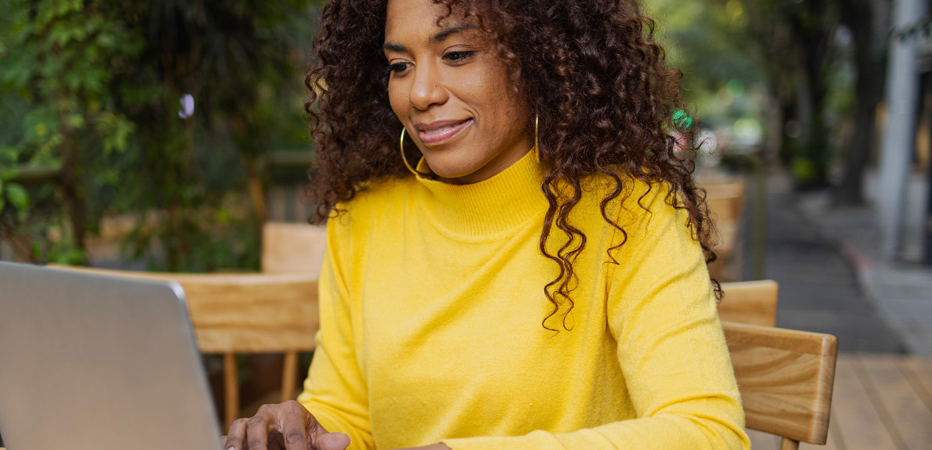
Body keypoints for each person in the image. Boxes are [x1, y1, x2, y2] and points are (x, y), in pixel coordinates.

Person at [225, 0, 749, 448]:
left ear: (540, 57)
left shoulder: (627, 210)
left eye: (456, 55)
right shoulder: (362, 216)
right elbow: (350, 410)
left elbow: (707, 432)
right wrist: (305, 427)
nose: (420, 93)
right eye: (400, 65)